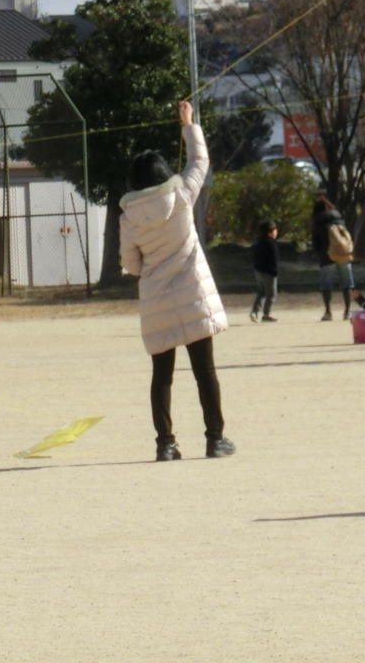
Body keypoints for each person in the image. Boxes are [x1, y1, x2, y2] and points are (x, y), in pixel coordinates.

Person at [120, 100, 233, 460]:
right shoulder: (182, 195)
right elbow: (200, 161)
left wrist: (149, 269)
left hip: (157, 300)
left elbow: (130, 264)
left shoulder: (128, 217)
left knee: (161, 375)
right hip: (193, 294)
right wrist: (188, 123)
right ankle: (215, 439)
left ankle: (165, 444)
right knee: (205, 372)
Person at [310, 195, 355, 322]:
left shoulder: (318, 221)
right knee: (347, 284)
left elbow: (316, 242)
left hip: (327, 255)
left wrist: (318, 253)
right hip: (344, 255)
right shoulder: (339, 219)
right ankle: (347, 311)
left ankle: (328, 312)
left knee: (326, 285)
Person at [250, 221, 280, 322]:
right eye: (275, 230)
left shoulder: (258, 243)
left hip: (258, 271)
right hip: (269, 272)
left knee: (261, 292)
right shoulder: (272, 244)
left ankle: (254, 312)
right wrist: (274, 271)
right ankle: (266, 315)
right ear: (270, 232)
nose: (276, 232)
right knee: (271, 294)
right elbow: (274, 259)